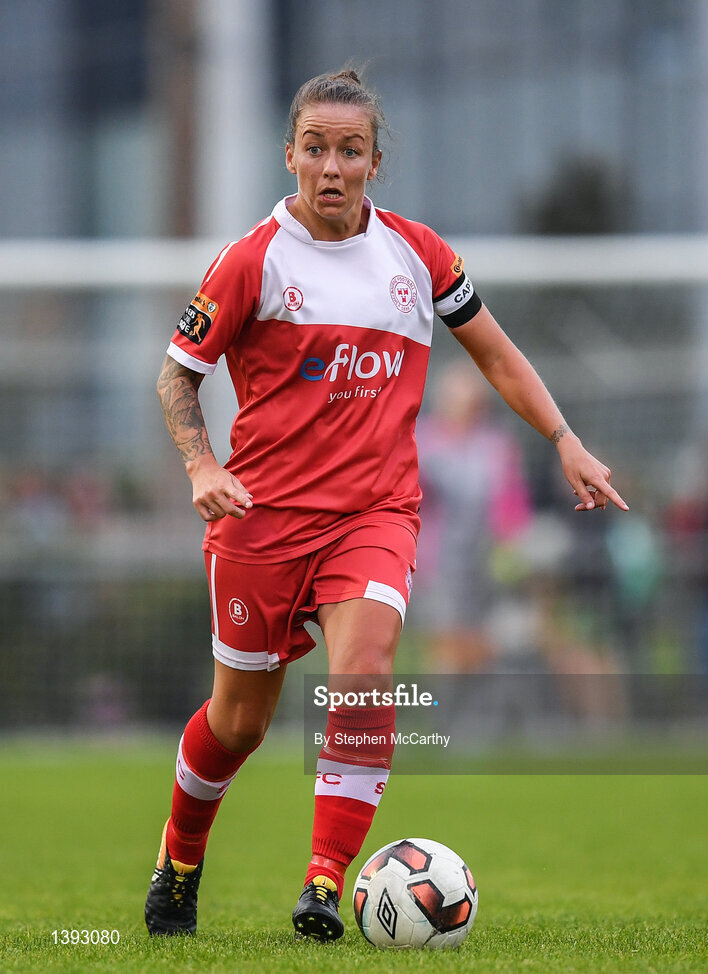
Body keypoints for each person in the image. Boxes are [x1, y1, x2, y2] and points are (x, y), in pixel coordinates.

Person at [144, 68, 628, 941]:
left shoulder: (420, 256)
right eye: (316, 148)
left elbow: (497, 354)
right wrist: (199, 465)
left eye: (351, 150)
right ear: (289, 154)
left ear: (374, 162)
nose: (332, 166)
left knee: (362, 678)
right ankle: (179, 861)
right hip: (259, 518)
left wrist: (564, 438)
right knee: (239, 722)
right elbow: (178, 373)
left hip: (374, 515)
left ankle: (324, 886)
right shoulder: (252, 259)